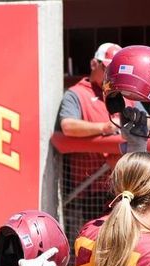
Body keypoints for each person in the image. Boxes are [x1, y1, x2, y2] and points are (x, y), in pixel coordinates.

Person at [57, 42, 123, 239]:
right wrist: (105, 128)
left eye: (118, 70)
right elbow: (67, 126)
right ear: (95, 64)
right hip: (90, 186)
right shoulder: (76, 93)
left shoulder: (125, 92)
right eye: (109, 68)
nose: (113, 74)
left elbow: (145, 124)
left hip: (124, 180)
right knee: (97, 240)